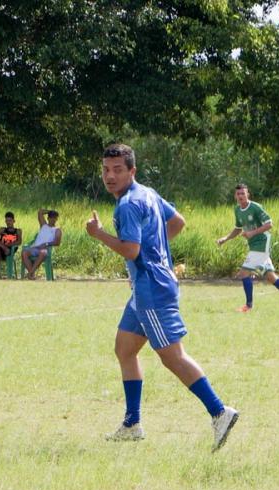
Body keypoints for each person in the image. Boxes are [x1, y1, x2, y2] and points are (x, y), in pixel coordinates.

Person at [86, 143, 239, 450]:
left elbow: (130, 249)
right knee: (124, 349)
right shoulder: (149, 193)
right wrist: (156, 253)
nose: (110, 176)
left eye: (117, 170)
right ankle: (132, 424)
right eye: (105, 170)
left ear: (132, 171)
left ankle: (220, 412)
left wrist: (98, 233)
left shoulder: (128, 204)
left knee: (172, 357)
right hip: (148, 285)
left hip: (151, 290)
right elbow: (178, 222)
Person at [216, 184, 279, 312]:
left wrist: (252, 233)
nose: (241, 196)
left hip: (262, 242)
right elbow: (238, 228)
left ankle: (248, 306)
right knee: (270, 277)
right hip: (254, 245)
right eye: (238, 194)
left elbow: (269, 224)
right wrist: (225, 238)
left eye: (243, 193)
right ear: (235, 196)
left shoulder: (255, 207)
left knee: (244, 273)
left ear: (248, 194)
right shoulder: (237, 210)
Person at [21, 209, 62, 279]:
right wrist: (50, 212)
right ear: (48, 218)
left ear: (56, 219)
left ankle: (30, 273)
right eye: (51, 217)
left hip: (44, 249)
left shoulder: (57, 230)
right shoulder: (44, 225)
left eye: (55, 218)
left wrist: (46, 244)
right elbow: (40, 212)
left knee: (42, 252)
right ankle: (32, 274)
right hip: (35, 248)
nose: (53, 219)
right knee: (24, 252)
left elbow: (57, 243)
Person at [0, 212, 22, 278]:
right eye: (6, 221)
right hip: (0, 247)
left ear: (14, 221)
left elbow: (19, 242)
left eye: (10, 220)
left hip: (9, 251)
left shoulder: (18, 231)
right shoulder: (2, 229)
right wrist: (3, 246)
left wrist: (9, 245)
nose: (8, 222)